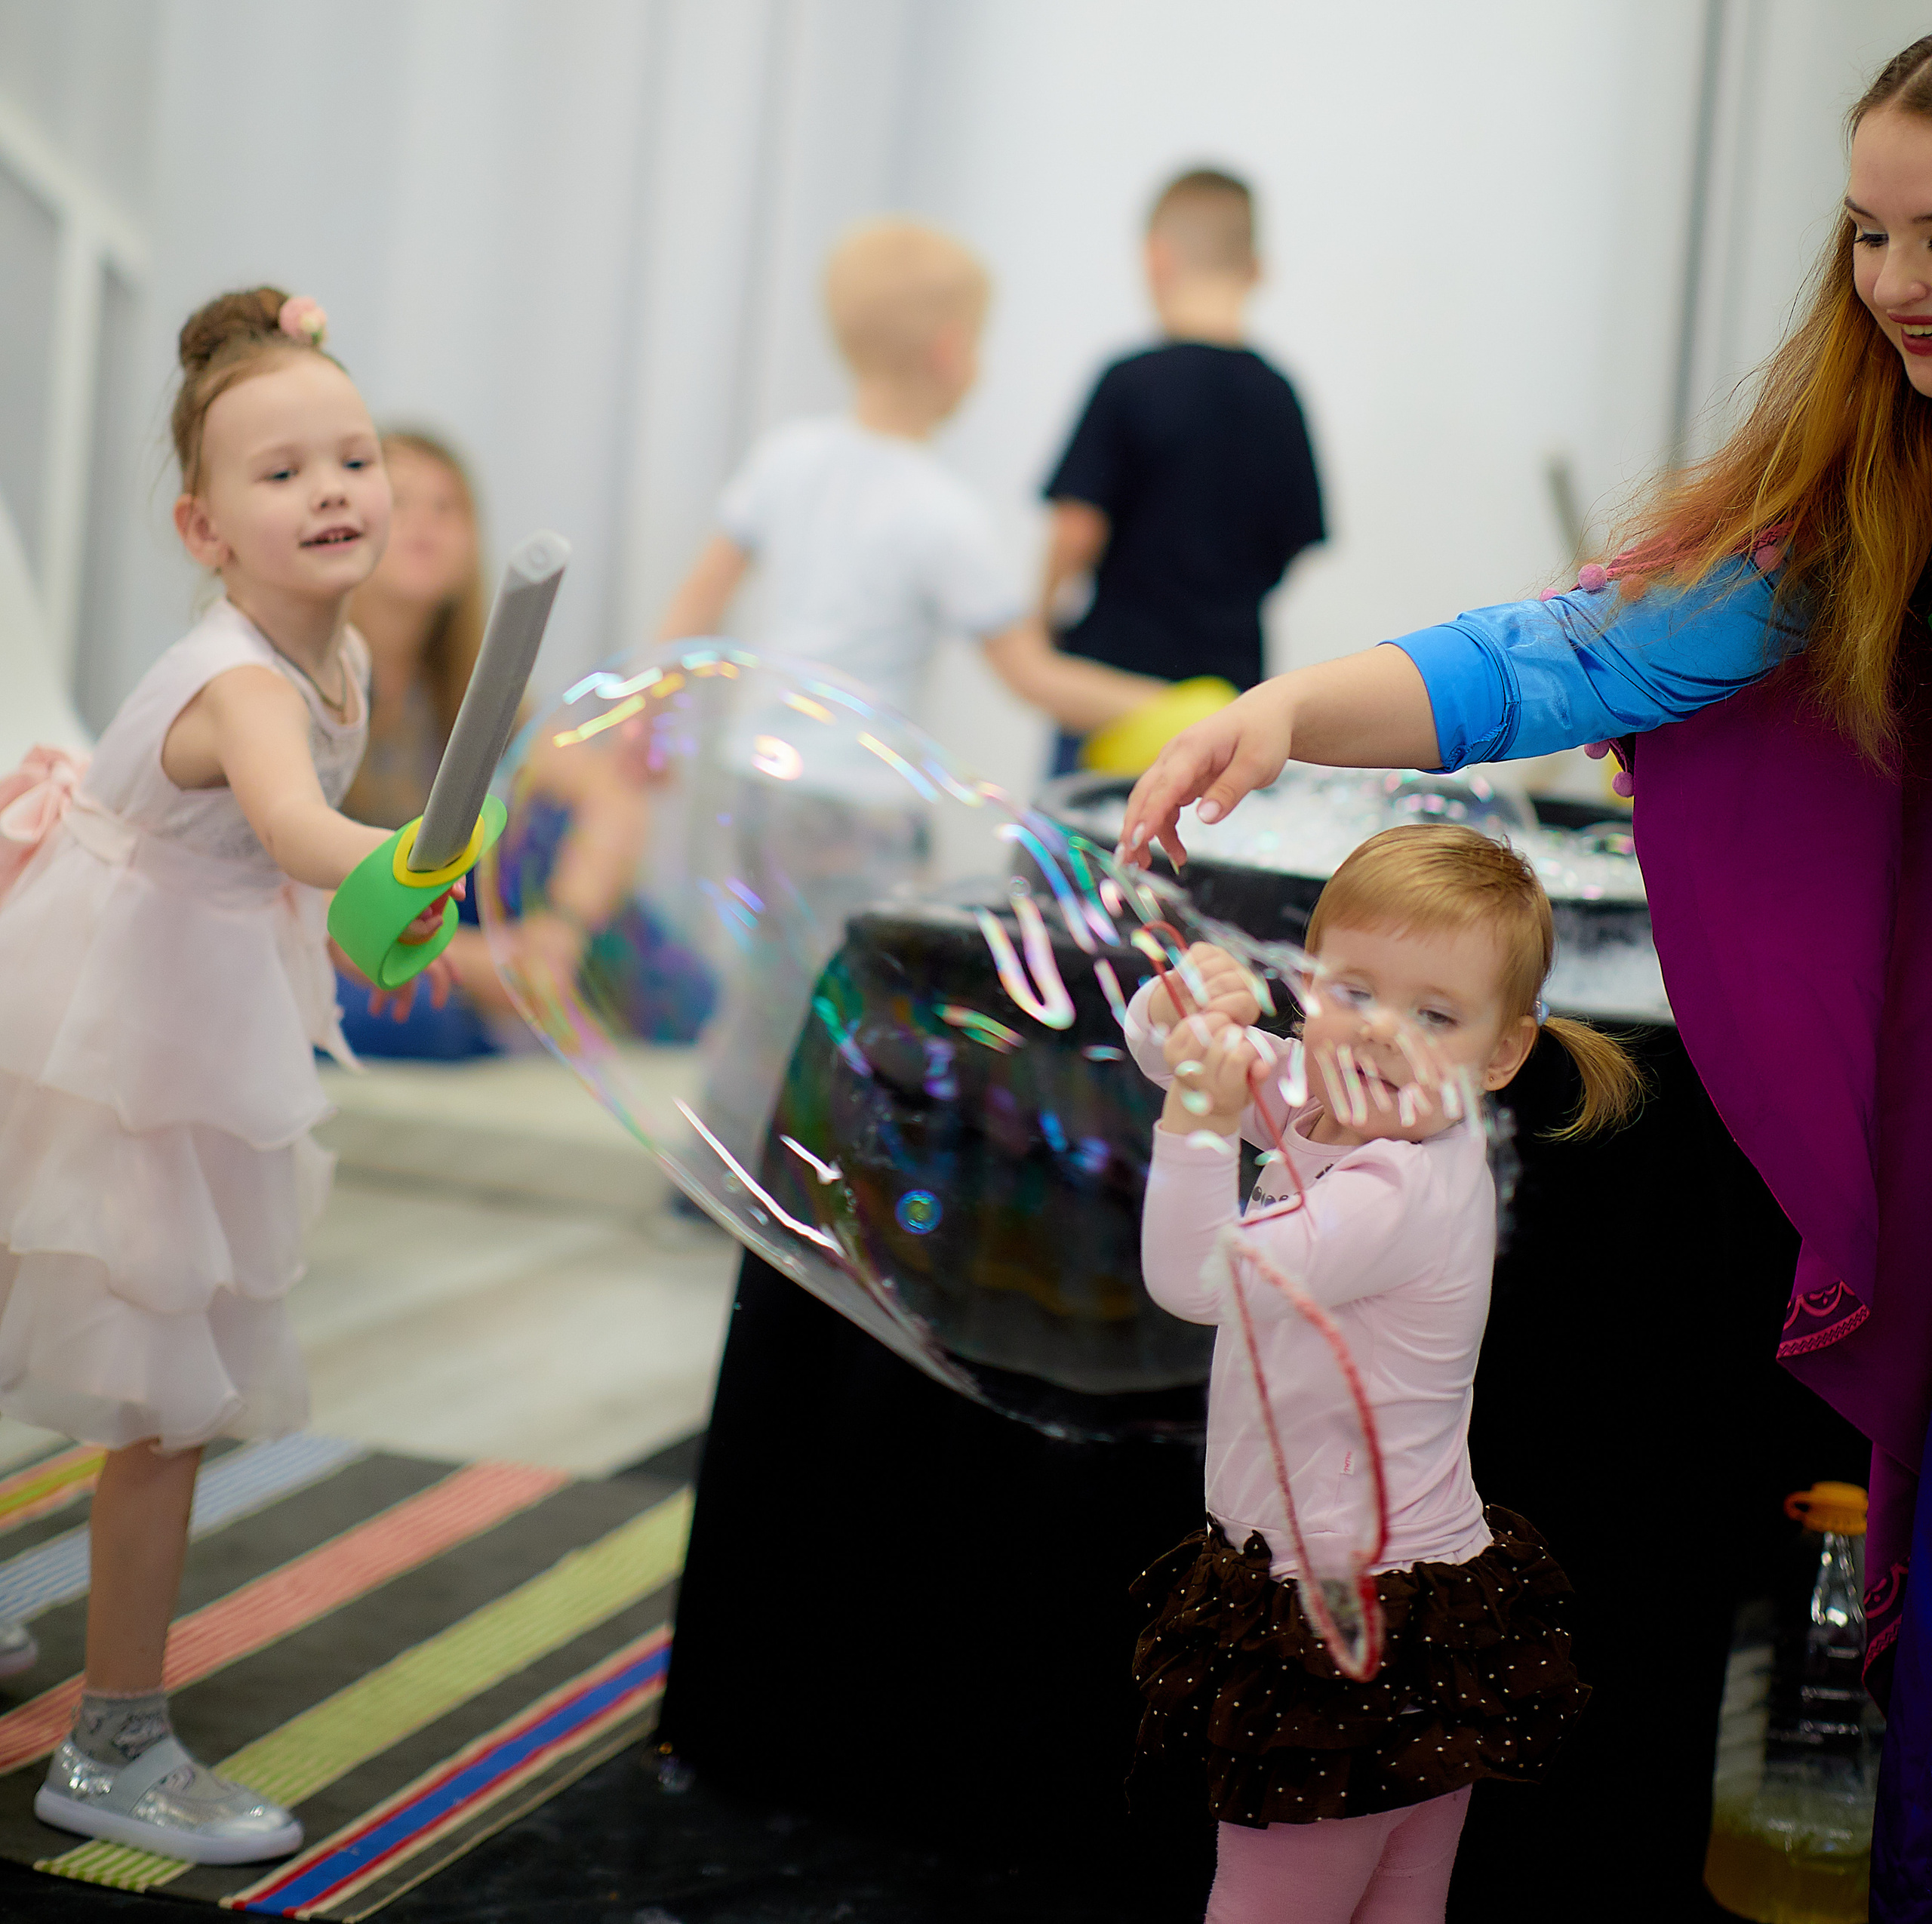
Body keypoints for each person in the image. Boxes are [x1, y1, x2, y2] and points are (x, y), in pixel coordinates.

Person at [1118, 38, 1932, 1912]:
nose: (1888, 284)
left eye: (1928, 233)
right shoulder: (1848, 519)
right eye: (1865, 233)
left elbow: (1202, 1275)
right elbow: (1555, 659)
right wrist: (1290, 709)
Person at [0, 286, 453, 1861]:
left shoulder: (330, 655)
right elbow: (292, 826)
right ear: (203, 524)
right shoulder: (246, 681)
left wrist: (385, 892)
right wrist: (391, 864)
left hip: (174, 997)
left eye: (352, 452)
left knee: (86, 1321)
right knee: (161, 1387)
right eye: (281, 472)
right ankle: (111, 1743)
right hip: (103, 1018)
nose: (332, 486)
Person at [1128, 826, 1626, 1923]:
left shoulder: (1396, 1190)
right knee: (1400, 1903)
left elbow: (1194, 1278)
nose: (1380, 1031)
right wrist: (1182, 1019)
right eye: (1354, 988)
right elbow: (1207, 1060)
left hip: (1342, 1613)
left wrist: (1196, 1123)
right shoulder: (1336, 1087)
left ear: (1501, 1053)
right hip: (1422, 1596)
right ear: (1308, 987)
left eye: (1434, 1014)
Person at [658, 217, 1161, 1164]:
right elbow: (1032, 675)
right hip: (857, 799)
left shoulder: (788, 457)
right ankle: (790, 1182)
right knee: (853, 1003)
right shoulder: (942, 512)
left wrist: (647, 725)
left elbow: (695, 600)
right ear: (950, 350)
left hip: (758, 782)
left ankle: (708, 1179)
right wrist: (1171, 707)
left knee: (765, 989)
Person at [1040, 168, 1326, 775]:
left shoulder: (1127, 381)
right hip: (1226, 703)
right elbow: (1295, 542)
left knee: (1079, 861)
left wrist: (1039, 623)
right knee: (1190, 864)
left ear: (1156, 259)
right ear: (1257, 269)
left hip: (1109, 694)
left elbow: (1075, 529)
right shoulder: (1280, 395)